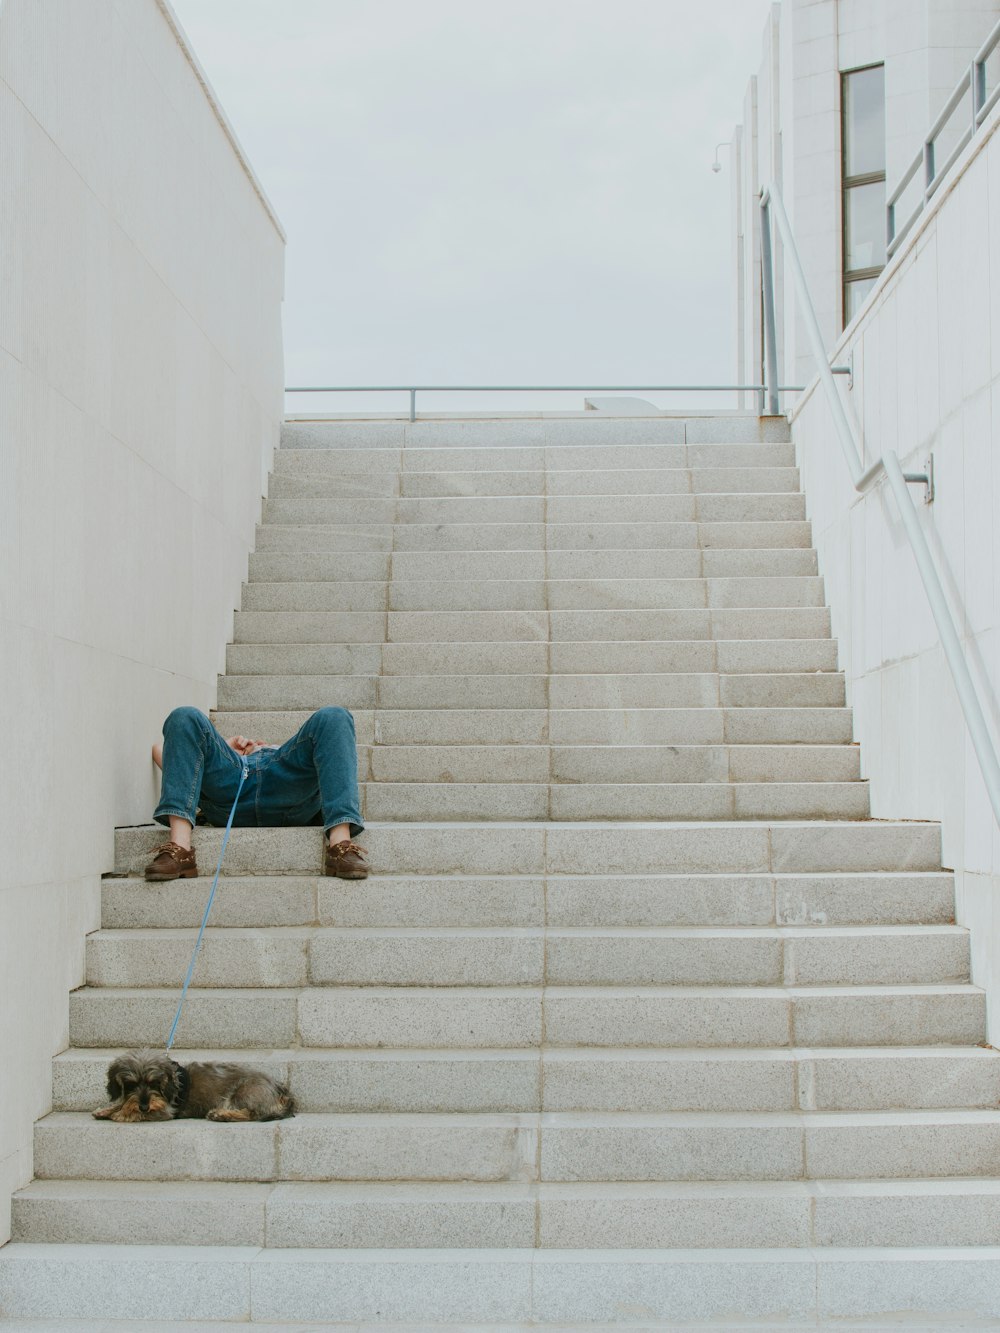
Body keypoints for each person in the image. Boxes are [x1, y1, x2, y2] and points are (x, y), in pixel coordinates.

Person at [146, 706, 367, 881]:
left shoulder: (286, 754)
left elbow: (333, 761)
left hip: (285, 786)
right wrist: (225, 747)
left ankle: (340, 846)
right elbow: (159, 750)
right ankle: (180, 849)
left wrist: (275, 750)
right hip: (231, 784)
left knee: (334, 716)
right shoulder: (230, 755)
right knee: (184, 715)